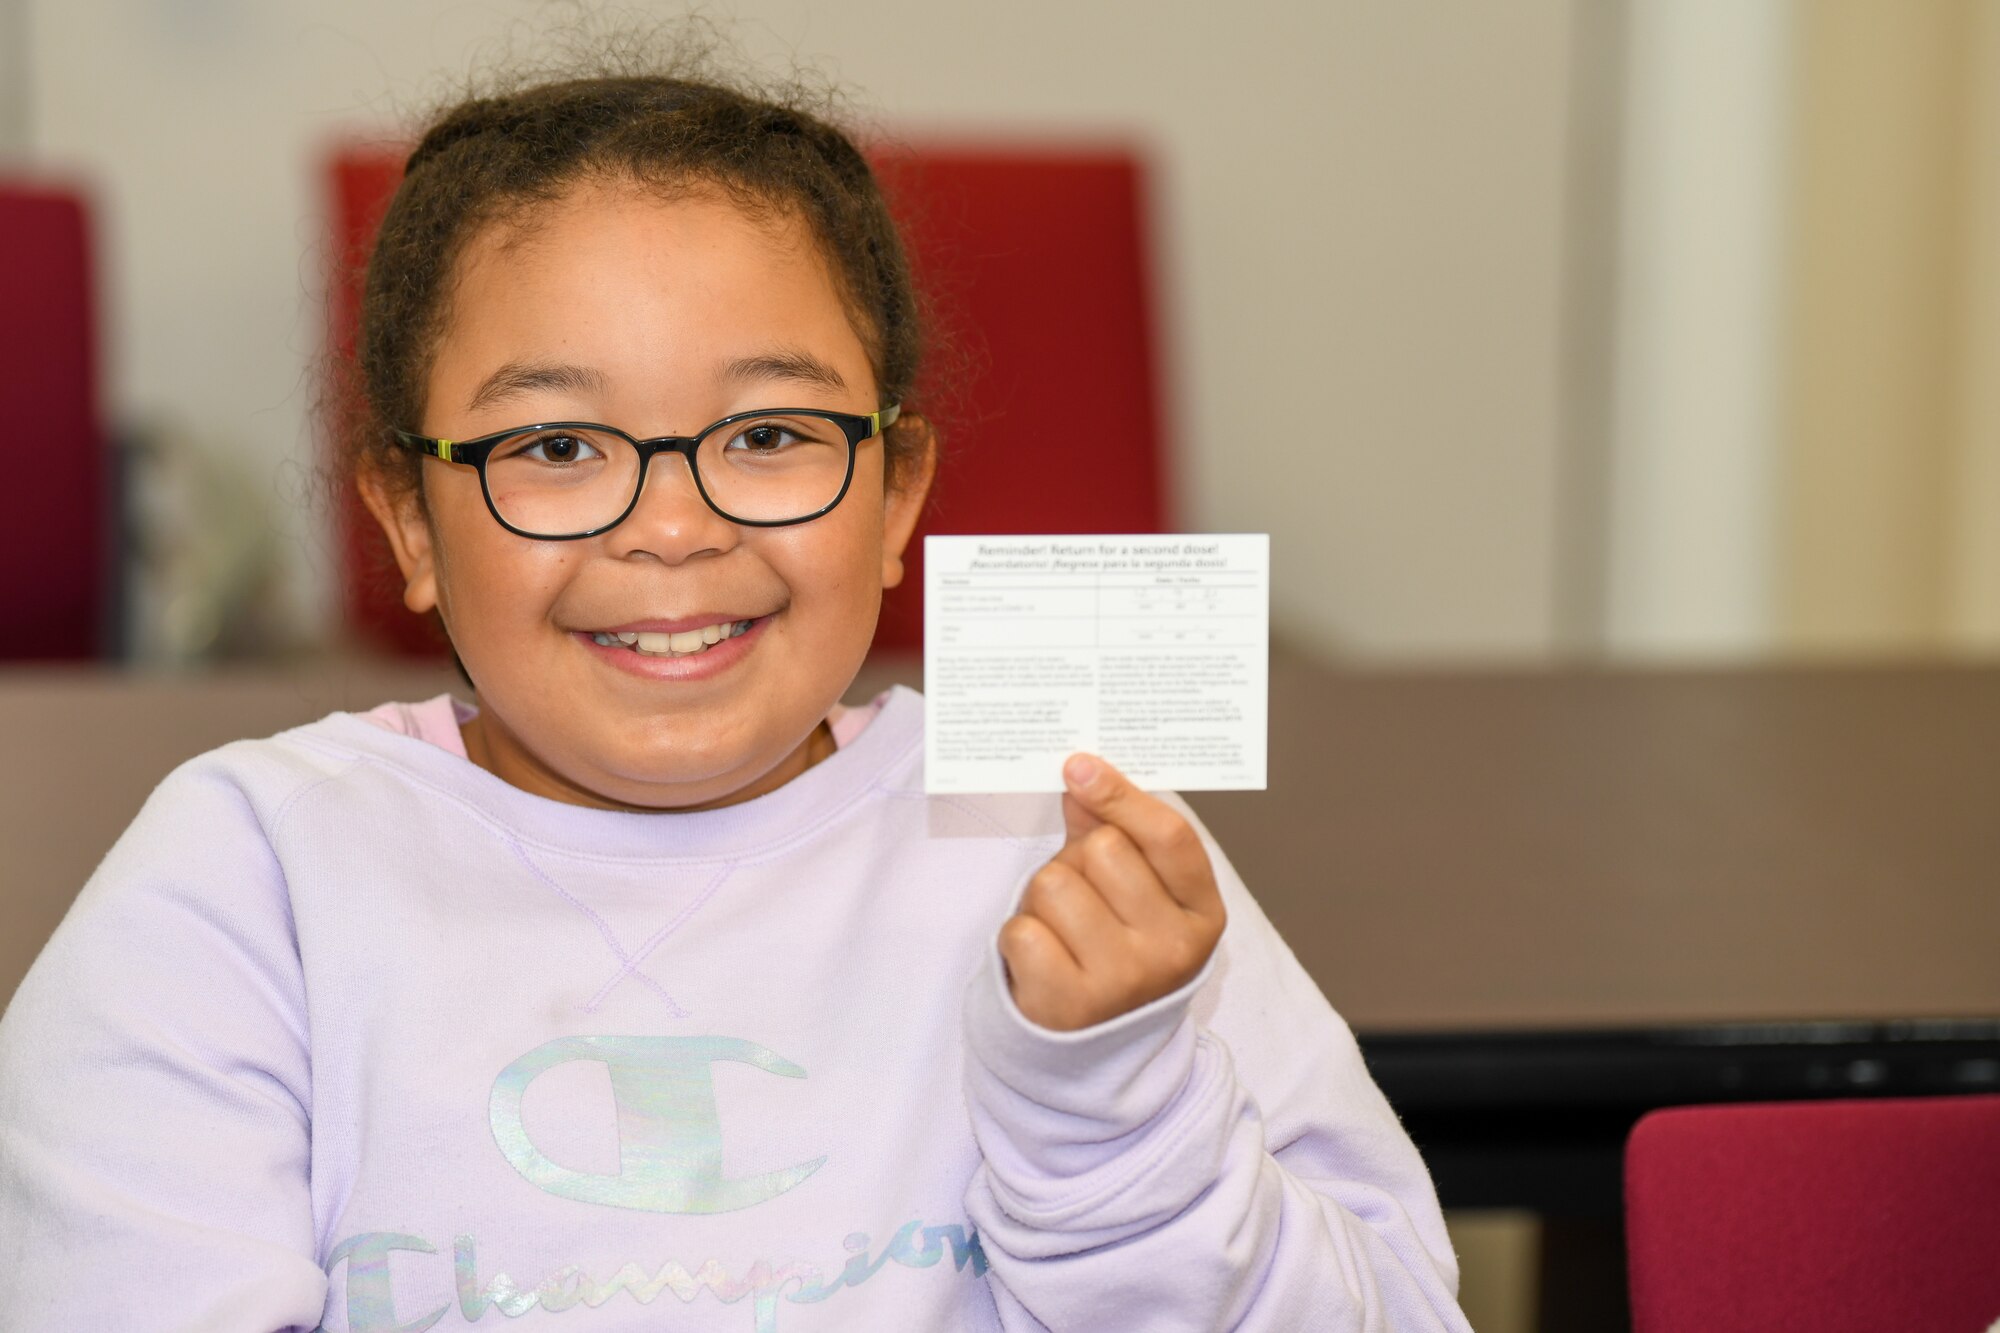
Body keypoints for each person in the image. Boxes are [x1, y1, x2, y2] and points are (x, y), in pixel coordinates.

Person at [0, 55, 1471, 1333]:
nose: (675, 525)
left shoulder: (1062, 857)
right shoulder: (244, 881)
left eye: (767, 431)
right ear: (405, 524)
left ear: (899, 497)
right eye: (558, 448)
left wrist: (1119, 1106)